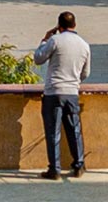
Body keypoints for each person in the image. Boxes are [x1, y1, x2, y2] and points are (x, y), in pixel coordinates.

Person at [33, 10, 91, 179]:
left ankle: (55, 169)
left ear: (59, 26)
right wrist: (74, 81)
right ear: (75, 25)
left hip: (53, 93)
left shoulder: (54, 40)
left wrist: (44, 40)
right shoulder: (84, 45)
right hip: (72, 93)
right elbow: (85, 73)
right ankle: (79, 165)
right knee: (75, 130)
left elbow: (38, 58)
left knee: (53, 132)